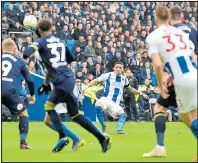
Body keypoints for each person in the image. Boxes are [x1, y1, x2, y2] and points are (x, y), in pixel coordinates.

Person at [23, 18, 111, 153]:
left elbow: (26, 54)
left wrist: (35, 44)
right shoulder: (60, 42)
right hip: (68, 78)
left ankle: (63, 136)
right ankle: (101, 138)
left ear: (39, 30)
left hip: (61, 81)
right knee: (75, 115)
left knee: (48, 106)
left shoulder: (40, 42)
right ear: (52, 29)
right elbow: (68, 60)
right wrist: (46, 83)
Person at [143, 6, 197, 160]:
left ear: (155, 17)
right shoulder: (180, 33)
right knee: (187, 115)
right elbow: (191, 57)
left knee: (188, 117)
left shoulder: (153, 37)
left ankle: (160, 148)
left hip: (183, 81)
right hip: (193, 73)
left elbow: (158, 65)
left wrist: (162, 86)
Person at [84, 62, 147, 134]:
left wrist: (141, 93)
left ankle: (119, 130)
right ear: (114, 68)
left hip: (115, 104)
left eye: (120, 68)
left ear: (122, 69)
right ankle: (104, 126)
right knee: (98, 107)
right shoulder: (108, 75)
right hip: (105, 99)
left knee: (123, 115)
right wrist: (86, 86)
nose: (118, 69)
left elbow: (130, 89)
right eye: (117, 67)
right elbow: (96, 80)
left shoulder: (124, 79)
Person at [2, 38, 36, 149]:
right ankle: (23, 143)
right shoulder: (20, 61)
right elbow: (30, 81)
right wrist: (32, 94)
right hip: (8, 91)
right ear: (15, 49)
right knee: (23, 113)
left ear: (2, 49)